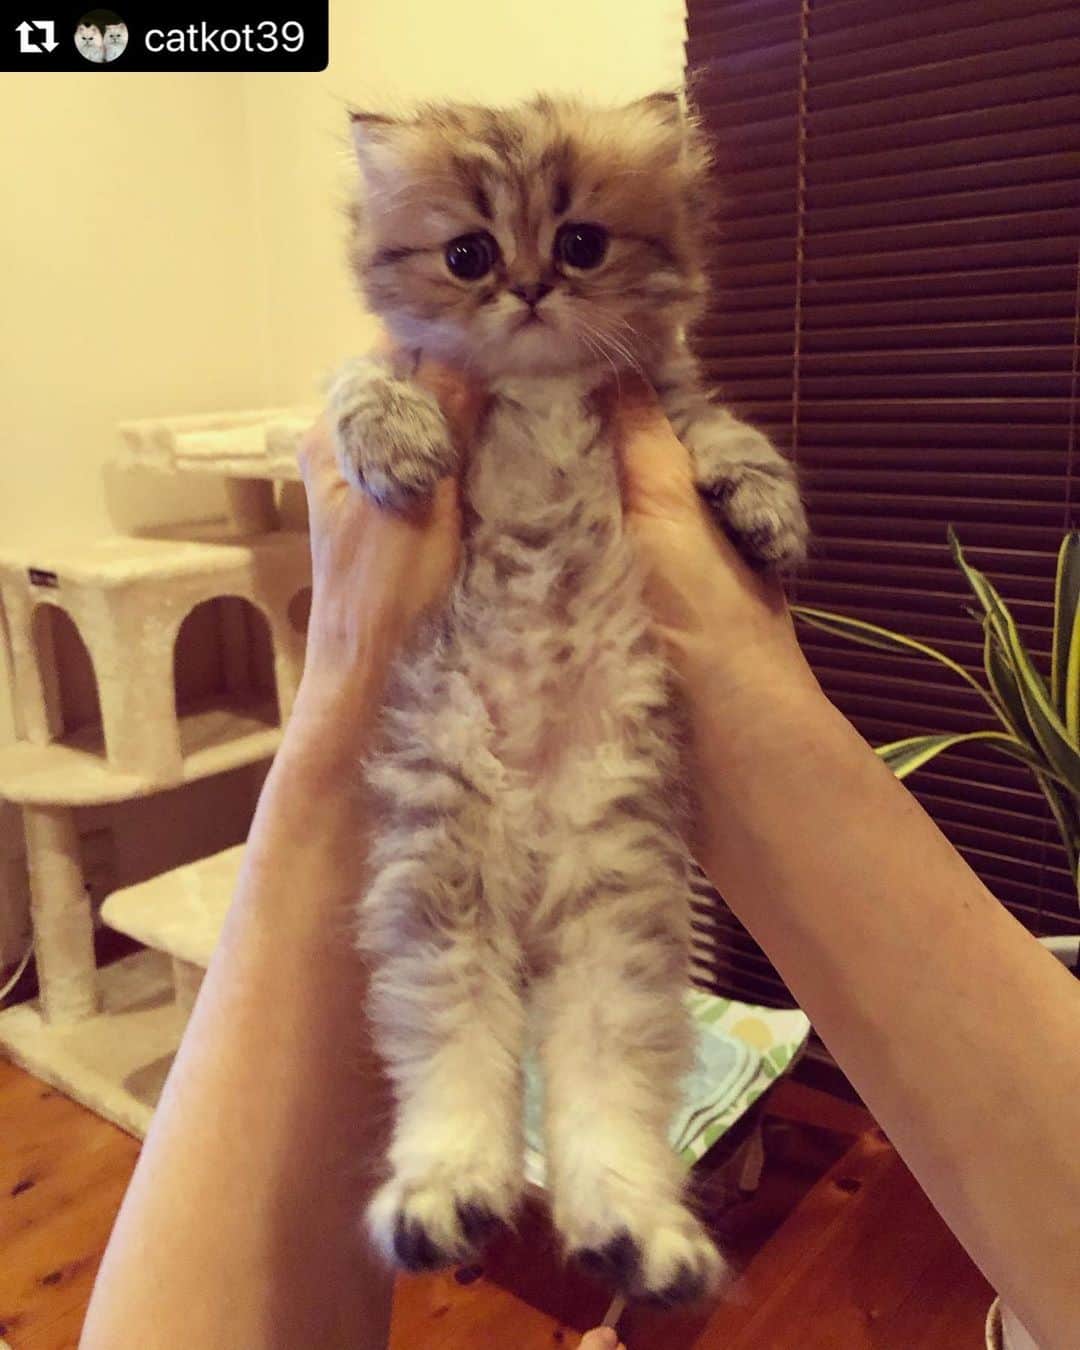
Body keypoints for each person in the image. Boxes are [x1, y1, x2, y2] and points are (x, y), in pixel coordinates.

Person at [81, 361, 1080, 1350]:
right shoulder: (416, 375)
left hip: (599, 722)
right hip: (461, 721)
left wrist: (722, 593)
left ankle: (613, 1182)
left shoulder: (637, 377)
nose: (529, 293)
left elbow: (692, 429)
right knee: (446, 929)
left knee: (608, 943)